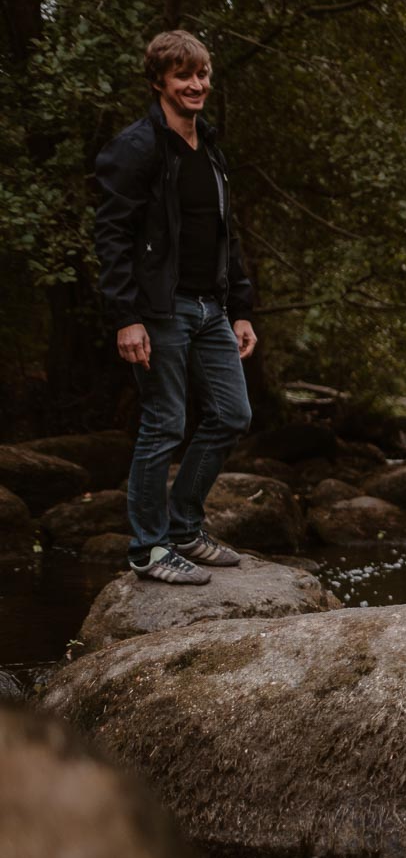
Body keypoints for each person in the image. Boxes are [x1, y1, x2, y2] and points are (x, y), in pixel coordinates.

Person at [94, 30, 257, 585]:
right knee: (164, 423)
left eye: (203, 74)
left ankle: (184, 528)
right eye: (184, 75)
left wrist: (240, 308)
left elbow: (224, 234)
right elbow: (112, 236)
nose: (197, 84)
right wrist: (125, 316)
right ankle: (147, 549)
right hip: (160, 310)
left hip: (211, 306)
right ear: (160, 80)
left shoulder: (208, 147)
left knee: (233, 414)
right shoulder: (137, 147)